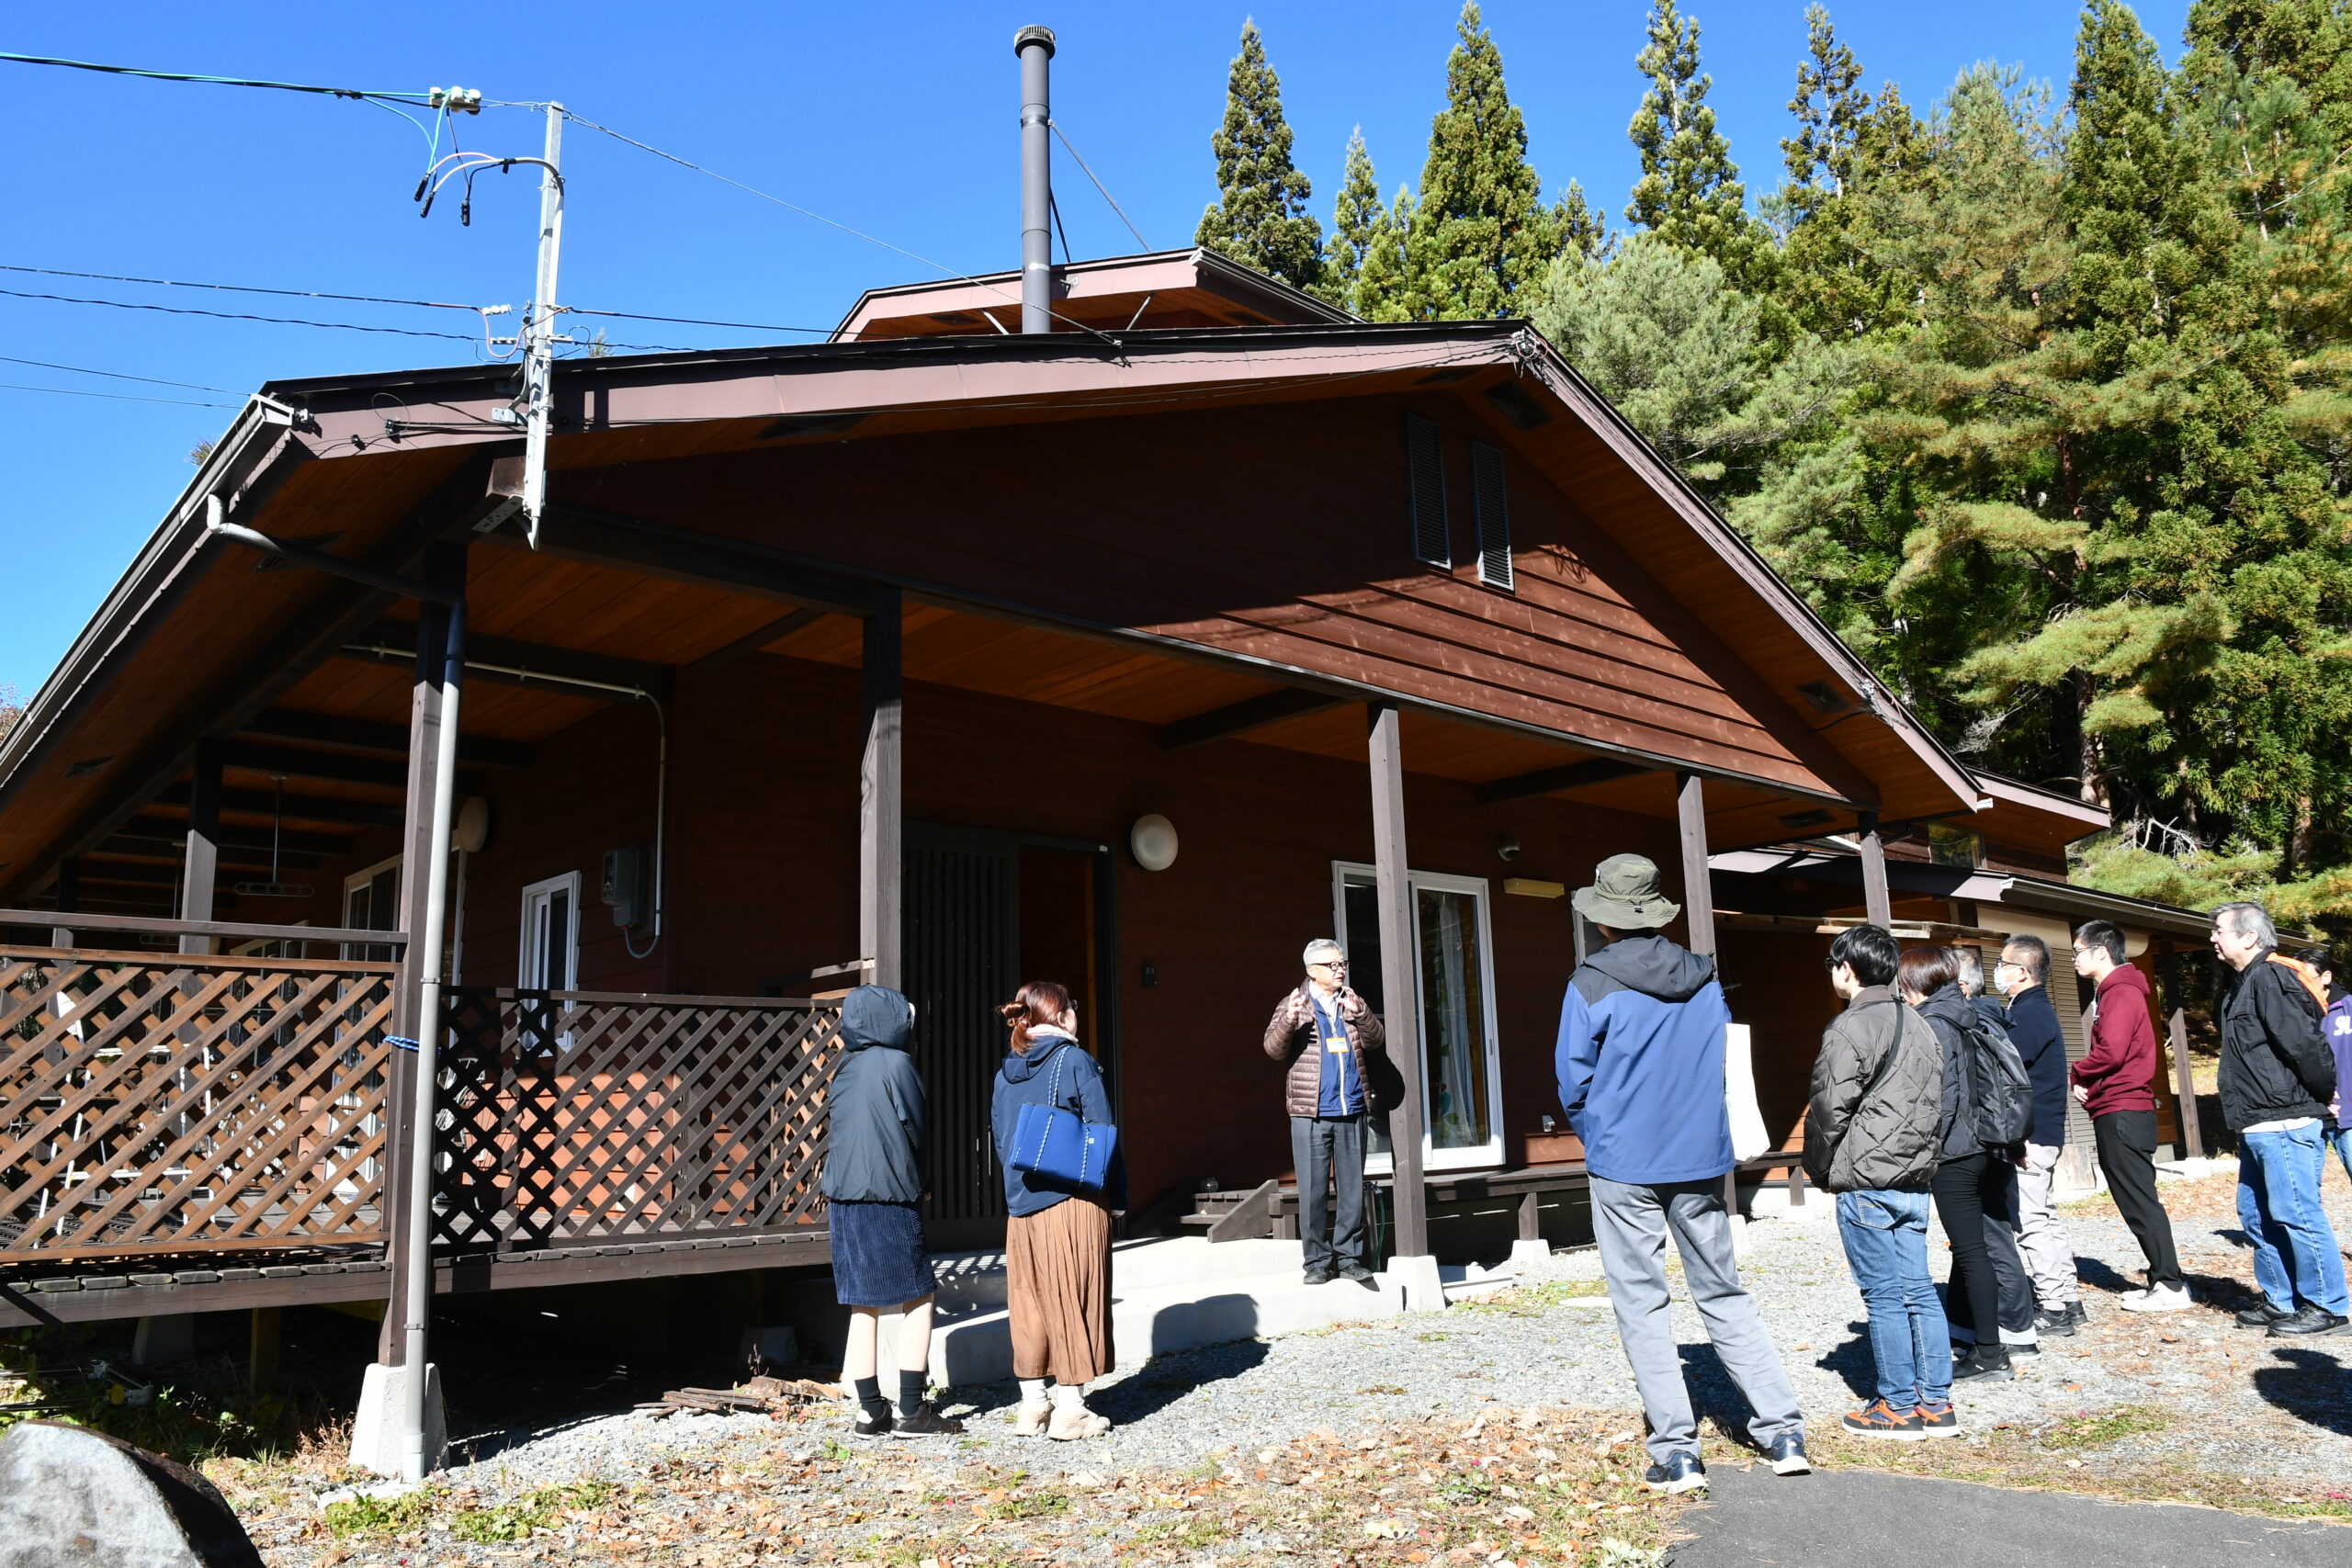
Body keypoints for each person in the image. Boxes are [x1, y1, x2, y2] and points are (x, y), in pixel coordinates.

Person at [1555, 853, 1808, 1493]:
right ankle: (1782, 1428)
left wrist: (1601, 1136)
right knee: (1723, 1290)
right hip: (1699, 1158)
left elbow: (1573, 1081)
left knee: (1642, 1302)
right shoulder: (1703, 979)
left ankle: (1677, 1451)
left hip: (1623, 1160)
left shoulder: (1589, 982)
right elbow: (1721, 1058)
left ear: (1604, 918)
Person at [1804, 923, 1959, 1441]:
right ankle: (1935, 1402)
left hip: (1867, 1179)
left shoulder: (1850, 1027)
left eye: (1834, 964)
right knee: (1918, 1289)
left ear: (1847, 969)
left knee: (1885, 1297)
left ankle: (1896, 1405)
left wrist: (1819, 1168)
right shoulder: (1920, 1025)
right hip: (1914, 1177)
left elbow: (1830, 1107)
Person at [820, 985, 965, 1438]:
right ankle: (911, 1410)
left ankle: (869, 1411)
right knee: (918, 1295)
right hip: (888, 1195)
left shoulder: (844, 1067)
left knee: (863, 1302)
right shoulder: (896, 1064)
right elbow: (915, 1128)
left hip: (844, 1197)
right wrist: (924, 1183)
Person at [992, 981, 1126, 1438]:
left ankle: (1033, 1405)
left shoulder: (1006, 1070)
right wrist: (1119, 1198)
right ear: (1063, 1015)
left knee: (1029, 1302)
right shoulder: (1074, 1060)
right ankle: (1071, 1409)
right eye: (1072, 1007)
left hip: (1022, 1204)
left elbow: (1002, 1140)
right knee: (1075, 1295)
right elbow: (1103, 1132)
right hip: (1072, 1200)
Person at [2211, 905, 2346, 1336]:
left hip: (2285, 1118)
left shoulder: (2271, 977)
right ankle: (2282, 1300)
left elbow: (2307, 1046)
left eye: (2219, 930)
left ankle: (2327, 1305)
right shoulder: (2245, 982)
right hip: (2256, 1120)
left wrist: (2325, 1092)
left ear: (2249, 937)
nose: (2213, 938)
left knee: (2297, 1213)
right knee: (2254, 1214)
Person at [1905, 946, 2027, 1382]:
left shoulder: (1934, 1023)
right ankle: (1990, 1342)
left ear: (1918, 983)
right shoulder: (1971, 1012)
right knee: (1978, 1249)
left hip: (1955, 1152)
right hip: (1987, 1146)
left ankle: (1990, 1353)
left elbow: (1941, 1097)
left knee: (1972, 1252)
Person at [2070, 921, 2189, 1312]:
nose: (2074, 958)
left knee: (2138, 1200)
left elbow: (2112, 1052)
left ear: (2101, 952)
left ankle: (2170, 1285)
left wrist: (2076, 1071)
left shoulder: (2120, 990)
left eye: (2078, 951)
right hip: (2124, 1106)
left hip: (2123, 1109)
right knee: (2137, 1198)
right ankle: (2163, 1280)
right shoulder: (2118, 989)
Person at [1261, 939, 1393, 1285]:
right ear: (1311, 970)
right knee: (1313, 1190)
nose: (1340, 970)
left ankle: (1350, 1258)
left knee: (1351, 1190)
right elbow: (1273, 1049)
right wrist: (1289, 1020)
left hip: (1351, 1109)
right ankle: (1317, 1262)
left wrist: (1363, 1013)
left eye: (1342, 963)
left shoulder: (1351, 1002)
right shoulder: (1296, 1005)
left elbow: (1376, 1040)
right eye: (1332, 965)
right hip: (1311, 1113)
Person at [1948, 949, 2039, 1361]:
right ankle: (1965, 1326)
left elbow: (1989, 1092)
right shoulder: (1990, 1018)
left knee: (1993, 1237)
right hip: (1998, 1141)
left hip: (1985, 1143)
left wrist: (2005, 1142)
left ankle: (2017, 1331)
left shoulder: (1975, 1025)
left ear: (1961, 987)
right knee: (1974, 1240)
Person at [1995, 934, 2085, 1335]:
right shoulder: (2034, 1008)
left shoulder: (2029, 1013)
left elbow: (2008, 1068)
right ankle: (2067, 1297)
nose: (1998, 970)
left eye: (2003, 963)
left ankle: (2054, 1306)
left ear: (2023, 972)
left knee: (2031, 1220)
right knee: (2045, 1217)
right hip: (2044, 1131)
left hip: (2030, 1134)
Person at [2314, 949, 2352, 1188]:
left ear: (2326, 977)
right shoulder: (2294, 1014)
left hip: (2349, 1115)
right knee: (2304, 1194)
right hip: (2309, 1117)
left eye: (2307, 977)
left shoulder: (2349, 1008)